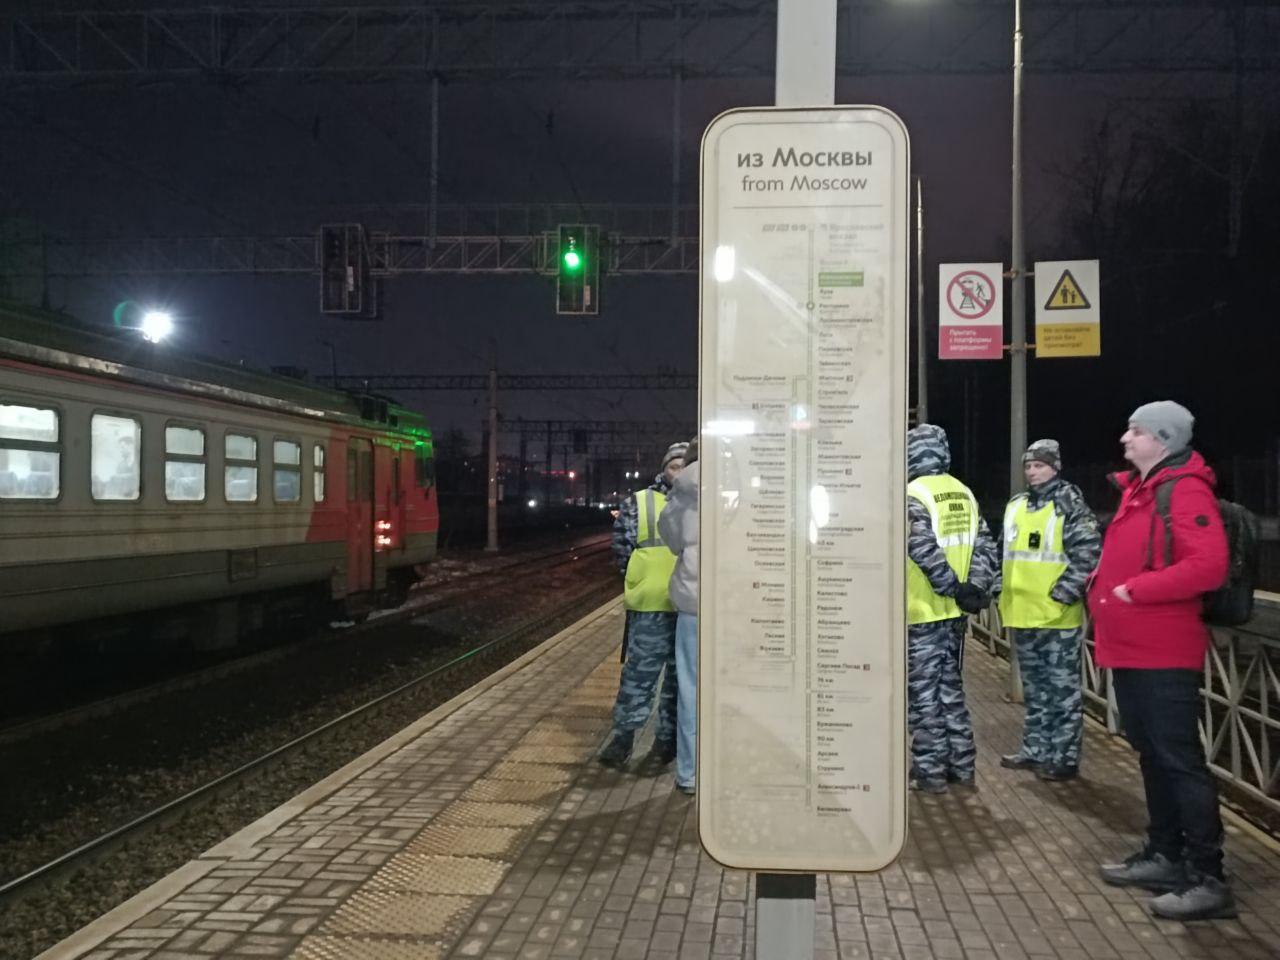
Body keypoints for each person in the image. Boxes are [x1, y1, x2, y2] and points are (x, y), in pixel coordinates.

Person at [1088, 401, 1234, 921]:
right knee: (1152, 754)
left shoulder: (1184, 490)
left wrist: (1136, 590)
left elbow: (1208, 565)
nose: (1125, 439)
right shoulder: (1142, 490)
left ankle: (1208, 878)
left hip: (1163, 651)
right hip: (1132, 647)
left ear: (1163, 439)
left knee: (1178, 761)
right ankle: (1166, 855)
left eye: (1136, 431)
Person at [996, 439, 1102, 781]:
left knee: (1062, 691)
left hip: (1056, 617)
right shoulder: (1017, 505)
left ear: (1055, 468)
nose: (1032, 472)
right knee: (1036, 689)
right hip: (1022, 612)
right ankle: (1035, 750)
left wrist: (1063, 594)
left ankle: (1064, 757)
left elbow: (1089, 552)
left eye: (1039, 465)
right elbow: (1003, 552)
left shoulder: (1069, 503)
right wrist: (997, 586)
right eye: (1028, 466)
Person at [905, 424, 998, 794]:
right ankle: (961, 765)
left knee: (923, 696)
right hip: (954, 615)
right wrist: (973, 588)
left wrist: (952, 587)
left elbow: (920, 548)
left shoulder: (913, 494)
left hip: (921, 612)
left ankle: (929, 772)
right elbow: (985, 545)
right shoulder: (964, 493)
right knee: (951, 691)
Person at [597, 441, 687, 769]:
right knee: (639, 675)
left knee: (677, 681)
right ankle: (623, 737)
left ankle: (666, 742)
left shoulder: (701, 502)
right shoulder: (639, 502)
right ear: (664, 469)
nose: (679, 472)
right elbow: (622, 547)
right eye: (674, 466)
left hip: (688, 609)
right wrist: (639, 579)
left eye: (685, 466)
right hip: (651, 605)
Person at [658, 437, 699, 796]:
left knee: (690, 688)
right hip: (735, 601)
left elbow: (671, 541)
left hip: (692, 603)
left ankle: (689, 773)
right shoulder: (745, 484)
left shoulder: (681, 493)